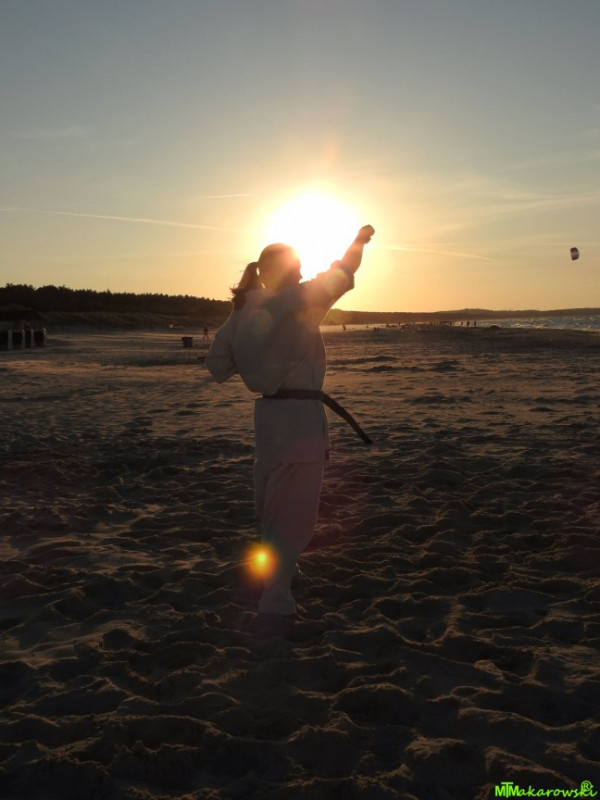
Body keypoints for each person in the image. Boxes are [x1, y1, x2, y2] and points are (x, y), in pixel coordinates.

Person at [206, 224, 375, 616]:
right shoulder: (301, 299)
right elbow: (344, 272)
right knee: (293, 517)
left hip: (267, 423)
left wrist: (255, 361)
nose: (301, 272)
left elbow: (217, 365)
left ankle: (279, 576)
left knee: (271, 511)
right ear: (288, 271)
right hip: (300, 423)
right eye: (297, 266)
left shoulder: (243, 310)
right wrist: (358, 241)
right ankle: (276, 600)